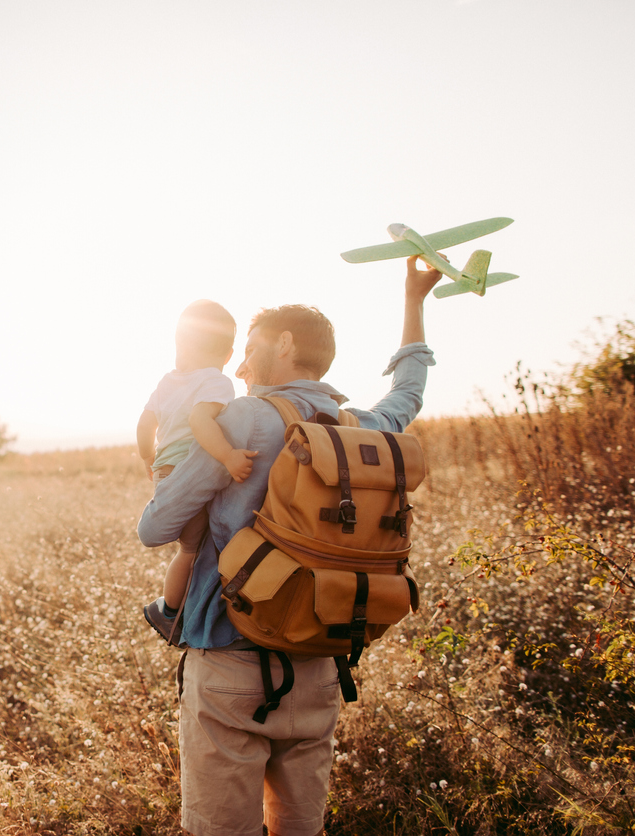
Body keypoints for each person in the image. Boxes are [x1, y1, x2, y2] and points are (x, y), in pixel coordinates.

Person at [137, 258, 443, 836]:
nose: (243, 363)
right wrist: (414, 301)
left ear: (283, 344)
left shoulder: (245, 418)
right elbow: (410, 391)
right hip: (320, 664)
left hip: (230, 664)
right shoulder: (360, 428)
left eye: (251, 348)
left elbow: (155, 529)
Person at [137, 300, 258, 644]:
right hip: (185, 471)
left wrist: (148, 457)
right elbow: (199, 421)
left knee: (190, 546)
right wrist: (229, 455)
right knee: (191, 550)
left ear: (181, 344)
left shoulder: (167, 382)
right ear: (229, 353)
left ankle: (180, 607)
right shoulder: (216, 382)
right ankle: (170, 611)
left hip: (164, 470)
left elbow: (145, 423)